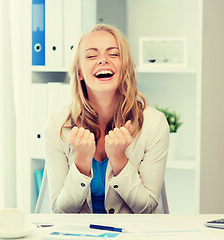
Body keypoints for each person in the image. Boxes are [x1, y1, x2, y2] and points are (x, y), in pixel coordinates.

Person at [44, 24, 169, 214]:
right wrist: (82, 162)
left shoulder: (154, 124)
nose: (103, 60)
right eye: (92, 55)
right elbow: (61, 210)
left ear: (124, 67)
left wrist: (119, 159)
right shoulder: (56, 125)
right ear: (79, 73)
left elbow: (147, 208)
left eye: (113, 54)